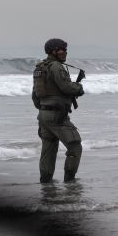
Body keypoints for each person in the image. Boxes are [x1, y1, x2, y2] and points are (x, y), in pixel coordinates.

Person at [32, 38, 85, 183]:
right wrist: (79, 88)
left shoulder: (39, 68)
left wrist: (44, 110)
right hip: (57, 115)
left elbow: (35, 96)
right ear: (53, 51)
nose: (65, 52)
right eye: (62, 49)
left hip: (43, 115)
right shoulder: (57, 67)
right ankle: (70, 182)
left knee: (48, 150)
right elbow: (66, 87)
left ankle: (46, 183)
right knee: (75, 147)